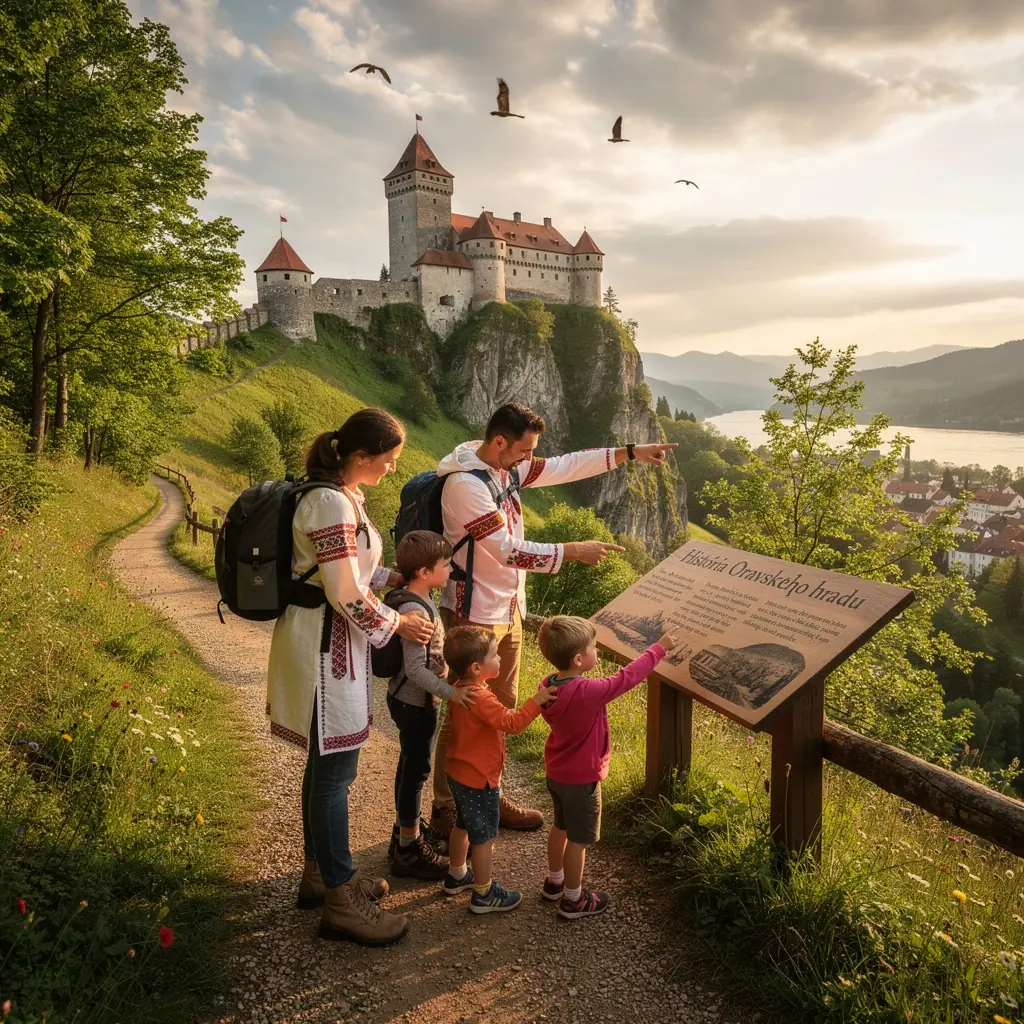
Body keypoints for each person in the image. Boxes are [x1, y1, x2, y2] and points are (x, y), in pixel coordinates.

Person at [430, 402, 678, 836]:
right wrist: (573, 551)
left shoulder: (506, 469)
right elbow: (507, 550)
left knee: (501, 706)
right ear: (500, 442)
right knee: (466, 711)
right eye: (525, 451)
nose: (531, 459)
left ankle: (489, 793)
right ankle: (447, 807)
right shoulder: (465, 485)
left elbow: (566, 466)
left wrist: (629, 452)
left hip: (508, 607)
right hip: (474, 611)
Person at [267, 407, 434, 947]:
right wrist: (398, 622)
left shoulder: (340, 496)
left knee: (326, 767)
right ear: (362, 456)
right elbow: (342, 592)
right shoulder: (330, 503)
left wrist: (391, 577)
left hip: (329, 642)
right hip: (325, 649)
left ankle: (321, 875)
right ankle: (340, 901)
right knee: (335, 774)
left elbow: (345, 570)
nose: (392, 468)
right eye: (389, 459)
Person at [536, 615, 675, 919]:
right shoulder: (588, 691)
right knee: (578, 841)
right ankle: (573, 899)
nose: (597, 651)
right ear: (578, 659)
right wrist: (659, 649)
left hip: (556, 772)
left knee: (560, 827)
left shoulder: (547, 685)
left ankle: (555, 882)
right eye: (593, 647)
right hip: (582, 779)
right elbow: (627, 677)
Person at [439, 626, 557, 913]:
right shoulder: (482, 698)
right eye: (494, 655)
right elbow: (512, 723)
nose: (500, 658)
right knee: (484, 839)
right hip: (479, 779)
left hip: (457, 773)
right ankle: (484, 893)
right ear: (477, 667)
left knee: (462, 825)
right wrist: (536, 702)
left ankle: (457, 875)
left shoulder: (460, 690)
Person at [385, 530, 477, 880]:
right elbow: (415, 669)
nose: (451, 569)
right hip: (415, 702)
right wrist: (451, 693)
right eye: (445, 564)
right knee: (416, 772)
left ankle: (403, 831)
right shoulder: (415, 610)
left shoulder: (413, 597)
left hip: (408, 699)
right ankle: (408, 849)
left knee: (409, 766)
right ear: (424, 572)